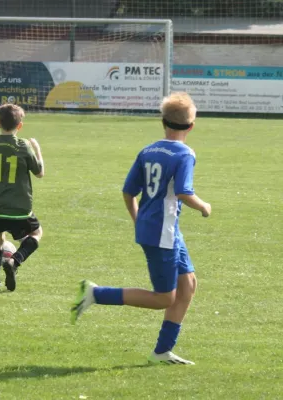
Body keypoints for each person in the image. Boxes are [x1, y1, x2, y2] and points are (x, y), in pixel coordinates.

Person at [70, 92, 211, 365]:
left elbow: (128, 191)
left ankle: (161, 352)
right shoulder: (185, 153)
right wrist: (204, 206)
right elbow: (184, 192)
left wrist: (138, 219)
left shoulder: (148, 150)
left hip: (165, 230)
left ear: (163, 122)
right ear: (191, 126)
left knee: (188, 286)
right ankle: (95, 294)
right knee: (163, 298)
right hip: (162, 233)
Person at [0, 104, 44, 291]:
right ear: (20, 126)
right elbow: (39, 173)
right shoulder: (23, 145)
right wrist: (37, 150)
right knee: (36, 233)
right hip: (19, 208)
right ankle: (15, 261)